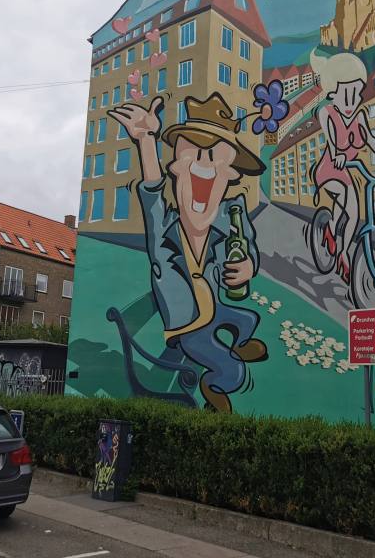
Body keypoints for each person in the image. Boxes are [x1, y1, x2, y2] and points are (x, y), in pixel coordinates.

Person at [107, 93, 267, 413]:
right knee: (233, 370)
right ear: (177, 171)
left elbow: (246, 246)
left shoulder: (229, 221)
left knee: (248, 319)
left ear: (228, 177)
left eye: (215, 160)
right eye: (194, 157)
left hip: (215, 309)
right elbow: (152, 190)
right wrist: (146, 140)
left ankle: (240, 341)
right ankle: (213, 386)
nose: (204, 164)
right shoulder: (163, 231)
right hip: (188, 327)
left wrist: (249, 266)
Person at [310, 50, 375, 280]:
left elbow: (371, 140)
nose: (351, 101)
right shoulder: (327, 113)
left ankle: (342, 253)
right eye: (345, 94)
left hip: (345, 171)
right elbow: (331, 139)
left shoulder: (359, 117)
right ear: (333, 92)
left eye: (356, 93)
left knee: (353, 213)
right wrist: (337, 154)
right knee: (344, 197)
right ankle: (331, 229)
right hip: (329, 170)